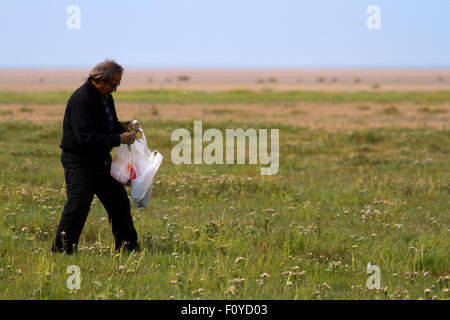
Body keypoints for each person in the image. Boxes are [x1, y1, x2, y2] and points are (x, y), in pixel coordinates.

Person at [51, 59, 140, 254]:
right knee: (78, 207)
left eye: (117, 85)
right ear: (99, 79)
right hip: (80, 162)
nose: (115, 89)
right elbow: (85, 138)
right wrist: (119, 138)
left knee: (119, 203)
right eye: (113, 84)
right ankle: (61, 252)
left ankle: (128, 248)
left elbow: (107, 126)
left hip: (101, 161)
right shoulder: (82, 99)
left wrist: (124, 126)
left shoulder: (105, 97)